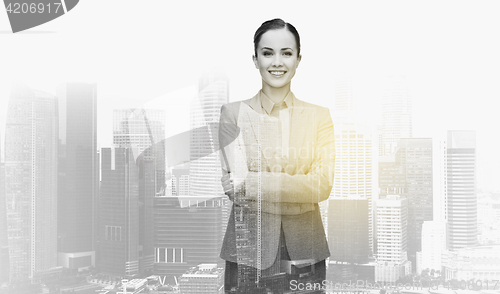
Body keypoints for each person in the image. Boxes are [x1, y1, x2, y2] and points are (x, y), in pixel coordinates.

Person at [219, 18, 335, 293]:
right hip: (247, 254)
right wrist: (298, 193)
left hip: (307, 253)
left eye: (286, 53)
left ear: (298, 59)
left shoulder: (319, 117)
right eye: (267, 53)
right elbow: (236, 188)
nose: (277, 62)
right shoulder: (232, 114)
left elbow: (322, 186)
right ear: (255, 59)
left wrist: (254, 183)